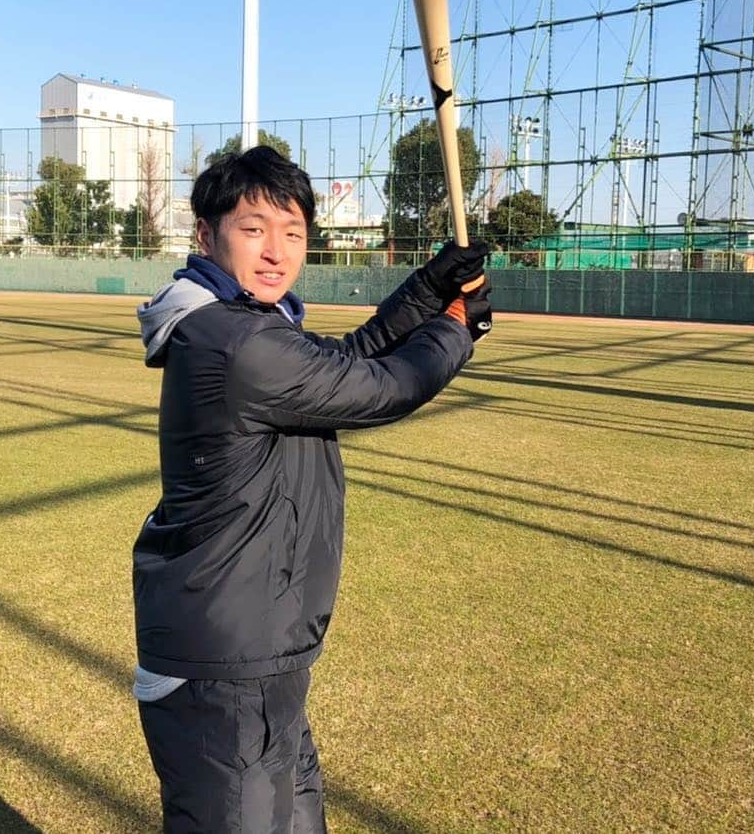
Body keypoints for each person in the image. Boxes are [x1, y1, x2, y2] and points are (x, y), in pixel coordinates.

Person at [132, 146, 491, 833]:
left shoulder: (246, 325)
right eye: (254, 228)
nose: (276, 251)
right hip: (226, 662)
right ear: (206, 235)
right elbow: (382, 387)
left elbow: (343, 359)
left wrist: (427, 289)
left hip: (252, 650)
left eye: (292, 233)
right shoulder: (235, 342)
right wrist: (454, 327)